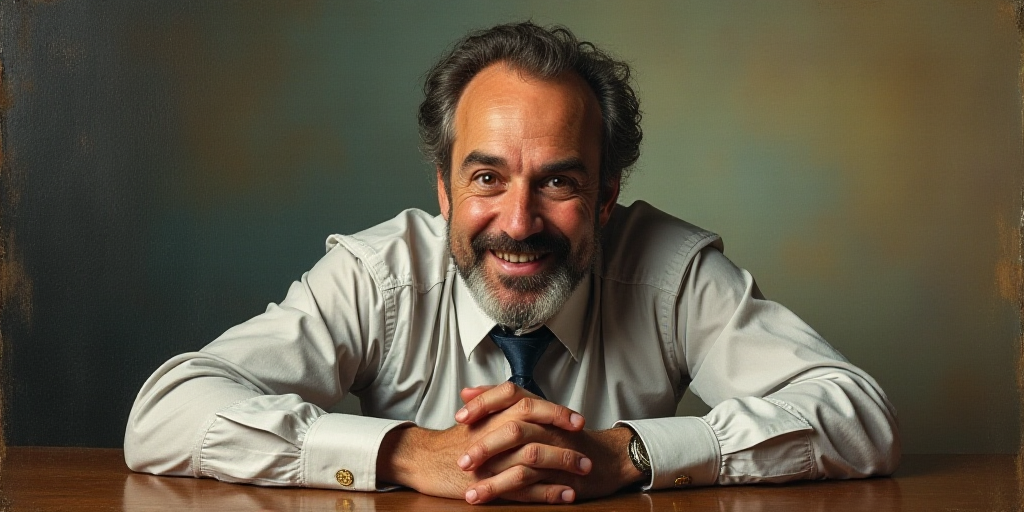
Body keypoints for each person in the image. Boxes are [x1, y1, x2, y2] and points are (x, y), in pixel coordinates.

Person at [124, 22, 900, 505]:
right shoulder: (378, 275)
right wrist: (402, 452)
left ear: (605, 196)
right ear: (444, 190)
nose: (519, 223)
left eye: (559, 182)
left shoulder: (670, 271)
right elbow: (166, 413)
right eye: (488, 178)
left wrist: (630, 453)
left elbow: (858, 413)